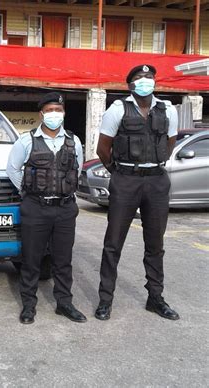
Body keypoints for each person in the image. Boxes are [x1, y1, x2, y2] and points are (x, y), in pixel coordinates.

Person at [95, 64, 179, 321]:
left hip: (156, 181)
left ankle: (155, 298)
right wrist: (119, 173)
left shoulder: (168, 109)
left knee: (156, 244)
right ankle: (105, 300)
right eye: (140, 78)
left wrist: (151, 165)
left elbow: (169, 143)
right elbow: (103, 148)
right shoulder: (117, 109)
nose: (146, 81)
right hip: (126, 181)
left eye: (150, 77)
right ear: (130, 84)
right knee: (113, 243)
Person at [7, 92, 87, 324]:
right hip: (35, 207)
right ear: (41, 114)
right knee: (31, 259)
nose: (54, 114)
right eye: (50, 110)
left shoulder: (74, 141)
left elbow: (77, 169)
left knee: (63, 260)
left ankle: (64, 303)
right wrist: (30, 190)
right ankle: (29, 305)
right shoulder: (26, 140)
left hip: (64, 208)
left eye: (58, 110)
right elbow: (12, 170)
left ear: (63, 113)